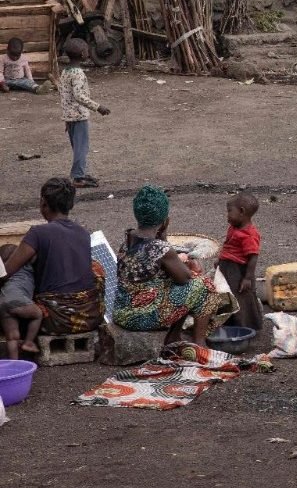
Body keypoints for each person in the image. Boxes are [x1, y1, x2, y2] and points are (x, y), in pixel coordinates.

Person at [113, 185, 227, 346]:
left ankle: (173, 337)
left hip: (121, 312)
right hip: (140, 317)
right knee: (204, 286)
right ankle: (200, 342)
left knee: (171, 285)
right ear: (165, 221)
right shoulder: (162, 249)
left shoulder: (127, 240)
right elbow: (185, 279)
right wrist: (165, 239)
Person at [1, 178, 101, 358]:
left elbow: (5, 272)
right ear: (70, 204)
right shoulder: (83, 232)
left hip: (55, 320)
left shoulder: (38, 233)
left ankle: (16, 349)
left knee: (9, 299)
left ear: (43, 203)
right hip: (89, 317)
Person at [57, 38, 107, 188]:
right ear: (82, 54)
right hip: (79, 116)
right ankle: (78, 178)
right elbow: (79, 96)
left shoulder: (65, 71)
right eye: (86, 50)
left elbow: (65, 94)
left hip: (70, 115)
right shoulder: (78, 73)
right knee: (82, 147)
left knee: (77, 146)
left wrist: (66, 117)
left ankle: (81, 173)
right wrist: (98, 107)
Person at [217, 192, 263, 331]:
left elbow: (253, 256)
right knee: (227, 295)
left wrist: (247, 278)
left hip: (239, 270)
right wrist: (220, 261)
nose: (227, 215)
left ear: (242, 211)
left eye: (229, 211)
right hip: (228, 267)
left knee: (241, 298)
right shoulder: (234, 228)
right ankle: (230, 322)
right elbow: (229, 246)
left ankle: (246, 326)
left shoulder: (248, 234)